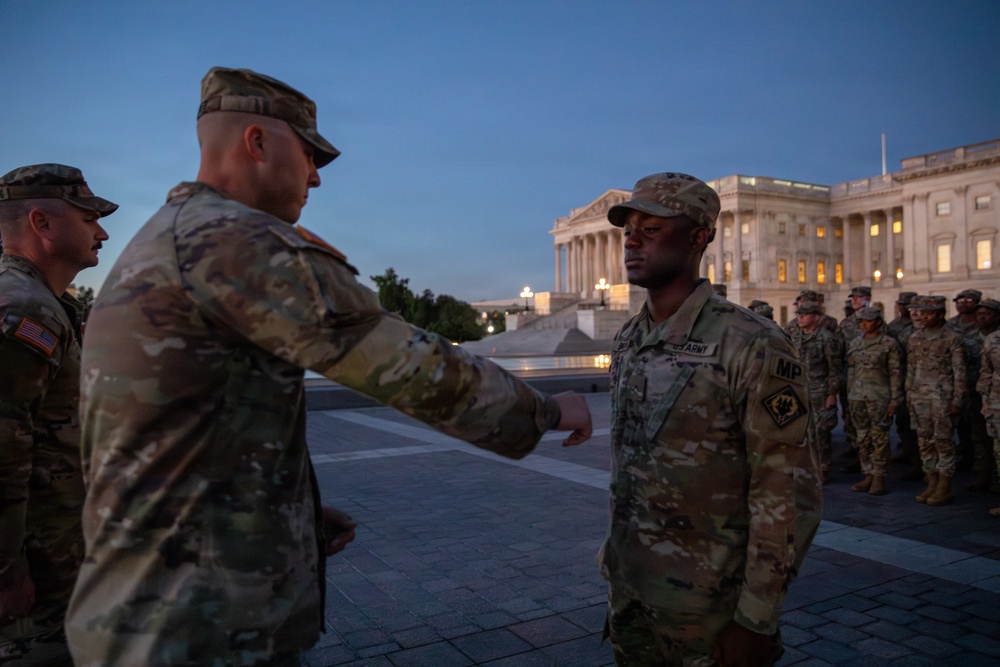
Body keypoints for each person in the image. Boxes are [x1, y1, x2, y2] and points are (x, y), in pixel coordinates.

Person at [65, 67, 593, 666]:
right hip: (195, 627)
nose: (315, 176)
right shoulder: (237, 242)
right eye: (310, 154)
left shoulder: (165, 239)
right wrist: (548, 408)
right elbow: (407, 365)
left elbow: (178, 431)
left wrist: (290, 512)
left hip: (153, 606)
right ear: (258, 142)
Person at [597, 172, 822, 666]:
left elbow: (787, 492)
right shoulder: (631, 338)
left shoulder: (752, 342)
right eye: (628, 228)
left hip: (709, 608)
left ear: (699, 237)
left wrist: (756, 618)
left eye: (652, 229)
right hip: (633, 594)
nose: (632, 240)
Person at [0, 164, 116, 665]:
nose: (103, 230)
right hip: (35, 576)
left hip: (58, 555)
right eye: (89, 217)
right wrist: (6, 574)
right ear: (42, 223)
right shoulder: (24, 309)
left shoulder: (46, 305)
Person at [906, 296, 966, 506]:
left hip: (942, 397)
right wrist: (908, 394)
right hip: (919, 396)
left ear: (941, 314)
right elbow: (911, 369)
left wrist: (957, 399)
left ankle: (944, 485)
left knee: (943, 441)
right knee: (924, 441)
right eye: (921, 312)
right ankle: (931, 480)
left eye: (928, 313)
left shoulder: (951, 338)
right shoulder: (915, 338)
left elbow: (959, 372)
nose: (923, 316)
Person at [845, 307, 903, 496]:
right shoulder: (855, 343)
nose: (864, 324)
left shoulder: (889, 344)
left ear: (878, 322)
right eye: (861, 321)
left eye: (868, 321)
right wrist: (849, 394)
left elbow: (895, 373)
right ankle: (867, 473)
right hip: (857, 396)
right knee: (862, 437)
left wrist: (895, 399)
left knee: (879, 437)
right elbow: (851, 371)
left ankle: (879, 476)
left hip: (879, 395)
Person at [794, 300, 842, 480]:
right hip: (799, 390)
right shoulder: (795, 337)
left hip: (819, 391)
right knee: (802, 431)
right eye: (799, 314)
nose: (800, 317)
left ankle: (823, 467)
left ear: (816, 317)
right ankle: (806, 465)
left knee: (821, 433)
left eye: (804, 314)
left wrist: (832, 393)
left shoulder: (827, 338)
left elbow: (835, 368)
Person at [972, 299, 1000, 493]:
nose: (982, 317)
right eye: (979, 313)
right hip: (993, 400)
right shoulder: (992, 340)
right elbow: (986, 372)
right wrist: (985, 399)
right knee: (989, 443)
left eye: (987, 313)